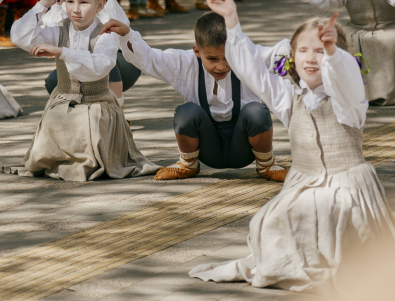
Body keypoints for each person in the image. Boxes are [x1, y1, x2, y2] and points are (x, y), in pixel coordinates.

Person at [188, 0, 395, 292]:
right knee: (266, 221)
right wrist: (231, 19)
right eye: (303, 50)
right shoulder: (290, 96)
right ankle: (293, 264)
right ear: (292, 58)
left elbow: (346, 79)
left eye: (320, 50)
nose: (310, 57)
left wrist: (333, 53)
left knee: (333, 223)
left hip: (346, 185)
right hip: (302, 181)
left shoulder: (348, 100)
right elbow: (252, 71)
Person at [5, 0, 157, 181]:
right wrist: (42, 4)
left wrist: (62, 52)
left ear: (100, 5)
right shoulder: (59, 29)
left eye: (83, 2)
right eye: (70, 1)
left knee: (89, 125)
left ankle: (83, 161)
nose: (75, 9)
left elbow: (98, 67)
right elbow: (19, 36)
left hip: (97, 104)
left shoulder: (105, 34)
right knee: (54, 123)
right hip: (63, 99)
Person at [105, 11, 287, 182]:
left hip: (246, 148)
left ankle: (267, 165)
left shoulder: (251, 59)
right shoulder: (185, 64)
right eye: (212, 59)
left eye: (228, 58)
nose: (221, 66)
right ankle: (188, 164)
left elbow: (283, 56)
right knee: (186, 112)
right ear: (197, 52)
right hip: (207, 149)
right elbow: (150, 59)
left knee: (257, 111)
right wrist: (128, 35)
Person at [36, 0, 139, 102]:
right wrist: (56, 6)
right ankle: (77, 106)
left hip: (120, 62)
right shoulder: (67, 1)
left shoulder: (105, 2)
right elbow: (48, 29)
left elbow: (111, 39)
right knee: (53, 81)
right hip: (81, 58)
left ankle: (116, 106)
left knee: (105, 60)